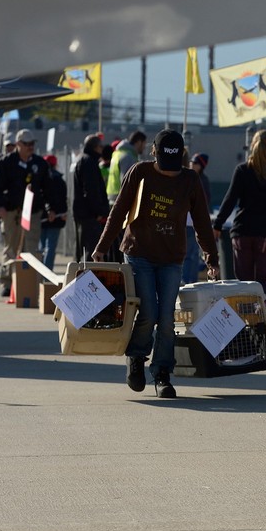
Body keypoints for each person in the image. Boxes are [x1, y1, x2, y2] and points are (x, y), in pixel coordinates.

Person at [92, 129, 219, 398]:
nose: (170, 173)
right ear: (154, 153)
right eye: (165, 166)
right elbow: (118, 212)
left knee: (166, 317)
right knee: (149, 310)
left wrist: (212, 258)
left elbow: (202, 224)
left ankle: (162, 373)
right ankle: (137, 355)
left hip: (172, 258)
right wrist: (102, 248)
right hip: (139, 253)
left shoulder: (190, 180)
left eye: (174, 167)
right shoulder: (139, 173)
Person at [212, 130, 266, 315]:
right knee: (265, 280)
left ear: (252, 145)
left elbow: (230, 199)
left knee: (244, 281)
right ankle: (265, 317)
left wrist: (218, 224)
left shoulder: (243, 170)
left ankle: (245, 319)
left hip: (243, 231)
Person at [0, 128, 51, 297]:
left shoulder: (40, 163)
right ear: (18, 144)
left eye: (32, 144)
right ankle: (7, 283)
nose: (30, 147)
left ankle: (30, 282)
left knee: (30, 247)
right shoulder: (5, 163)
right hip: (11, 211)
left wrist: (50, 208)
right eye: (27, 144)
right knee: (11, 247)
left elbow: (49, 188)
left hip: (33, 212)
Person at [72, 134, 110, 261]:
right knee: (90, 251)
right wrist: (98, 212)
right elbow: (91, 190)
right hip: (89, 216)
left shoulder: (83, 159)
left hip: (84, 214)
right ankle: (86, 279)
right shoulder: (89, 162)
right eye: (101, 146)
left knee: (83, 250)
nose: (102, 149)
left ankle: (82, 277)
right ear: (95, 147)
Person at [182, 153, 211, 284]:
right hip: (186, 222)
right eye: (191, 162)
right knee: (188, 254)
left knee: (192, 255)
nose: (191, 165)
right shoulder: (191, 178)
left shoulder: (200, 181)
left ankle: (189, 281)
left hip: (192, 223)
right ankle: (186, 281)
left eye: (195, 163)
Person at [39, 154, 68, 272]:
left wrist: (47, 211)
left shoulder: (41, 178)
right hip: (57, 218)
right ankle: (47, 274)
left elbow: (42, 197)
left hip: (42, 218)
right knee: (50, 247)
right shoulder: (59, 180)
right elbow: (62, 198)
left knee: (41, 247)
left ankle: (39, 274)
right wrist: (61, 212)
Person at [106, 130, 147, 204]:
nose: (144, 147)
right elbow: (127, 183)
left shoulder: (118, 153)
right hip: (120, 200)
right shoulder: (128, 157)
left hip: (113, 197)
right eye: (144, 143)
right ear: (139, 142)